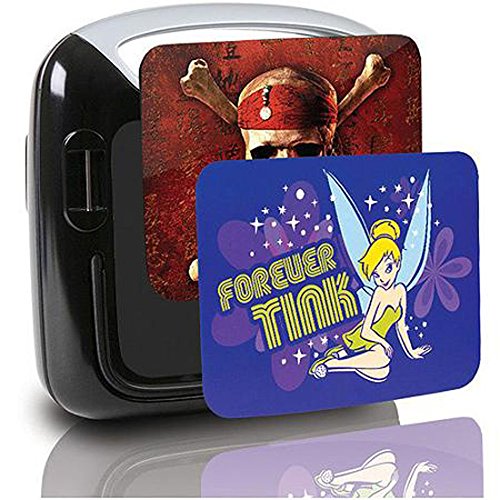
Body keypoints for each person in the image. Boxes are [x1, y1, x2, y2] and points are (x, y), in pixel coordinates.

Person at [309, 219, 432, 382]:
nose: (383, 279)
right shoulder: (379, 293)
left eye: (388, 268)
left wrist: (411, 352)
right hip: (365, 338)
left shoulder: (401, 290)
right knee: (383, 360)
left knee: (383, 373)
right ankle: (331, 364)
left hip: (375, 344)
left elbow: (401, 326)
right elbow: (366, 330)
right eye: (376, 275)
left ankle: (339, 358)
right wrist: (384, 343)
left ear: (398, 263)